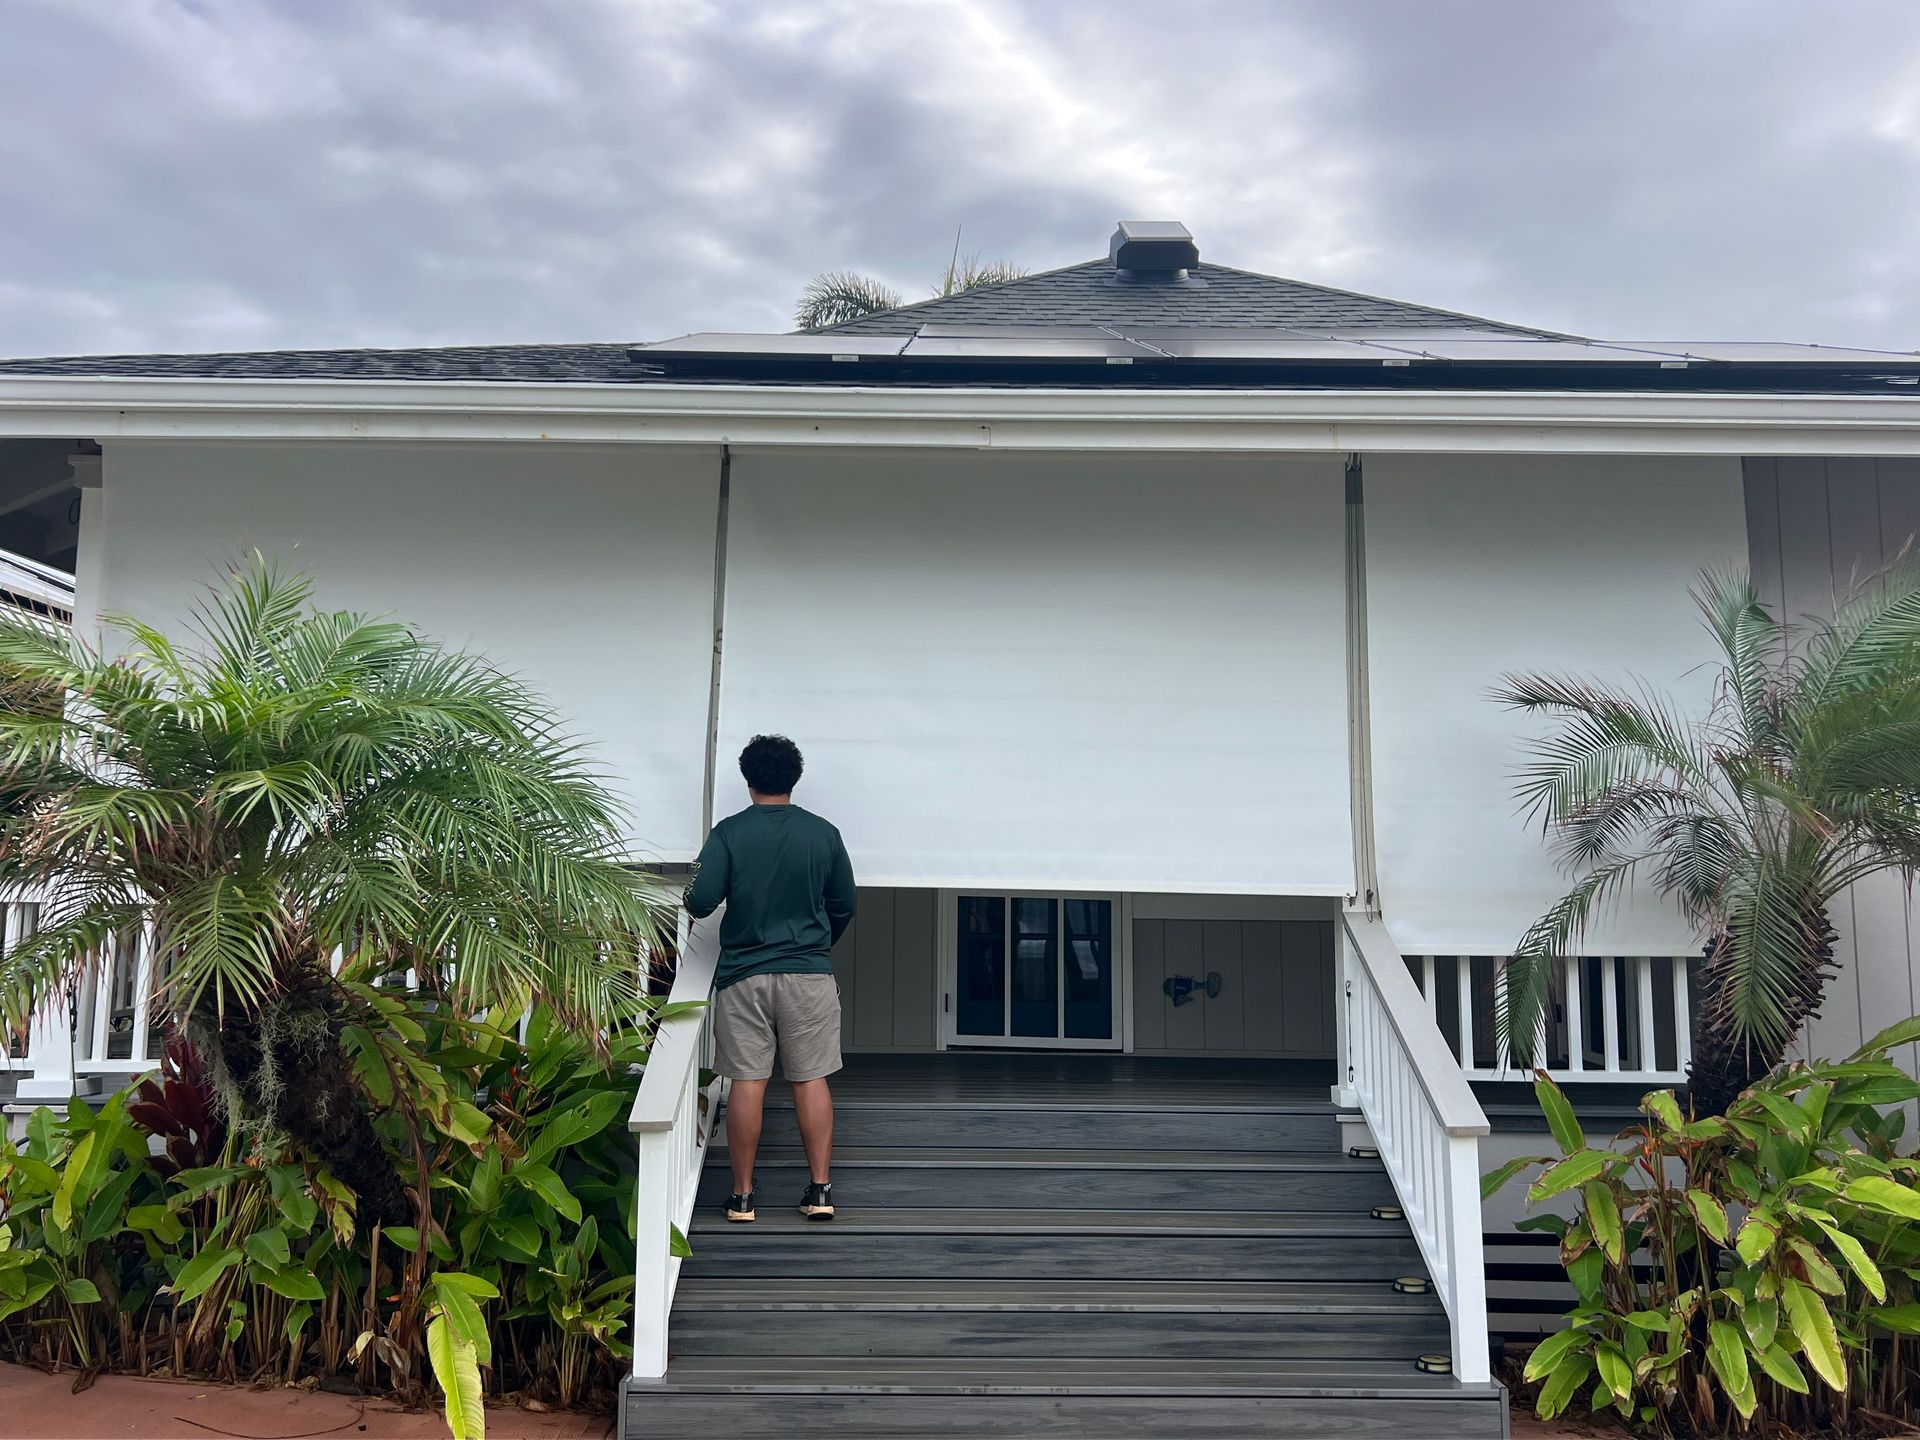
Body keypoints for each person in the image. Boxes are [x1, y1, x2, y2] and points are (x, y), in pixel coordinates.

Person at [684, 734, 855, 1223]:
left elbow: (699, 900)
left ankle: (741, 1196)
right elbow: (845, 904)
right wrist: (816, 946)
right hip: (809, 976)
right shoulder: (823, 834)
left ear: (747, 778)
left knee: (748, 1081)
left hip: (744, 975)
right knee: (811, 1078)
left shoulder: (729, 833)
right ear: (793, 778)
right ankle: (820, 1190)